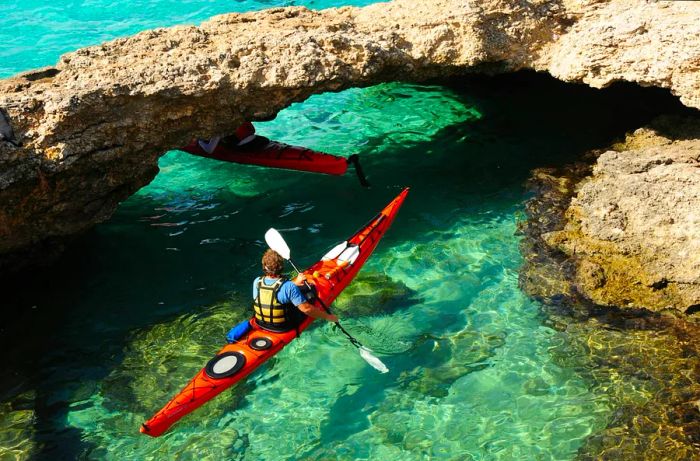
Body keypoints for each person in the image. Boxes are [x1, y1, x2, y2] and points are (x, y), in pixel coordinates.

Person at [253, 249, 338, 332]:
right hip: (283, 327)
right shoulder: (289, 286)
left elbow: (267, 297)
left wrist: (294, 284)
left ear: (264, 266)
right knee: (310, 290)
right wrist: (327, 316)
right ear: (281, 267)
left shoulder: (257, 281)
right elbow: (306, 309)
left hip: (261, 323)